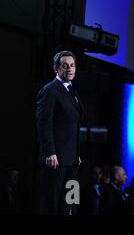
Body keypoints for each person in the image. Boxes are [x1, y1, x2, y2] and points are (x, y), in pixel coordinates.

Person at [36, 51, 82, 215]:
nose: (69, 69)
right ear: (56, 69)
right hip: (57, 159)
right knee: (53, 202)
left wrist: (77, 153)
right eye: (65, 66)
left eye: (72, 65)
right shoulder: (50, 90)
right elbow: (44, 123)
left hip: (72, 159)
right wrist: (50, 152)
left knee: (71, 201)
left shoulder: (72, 90)